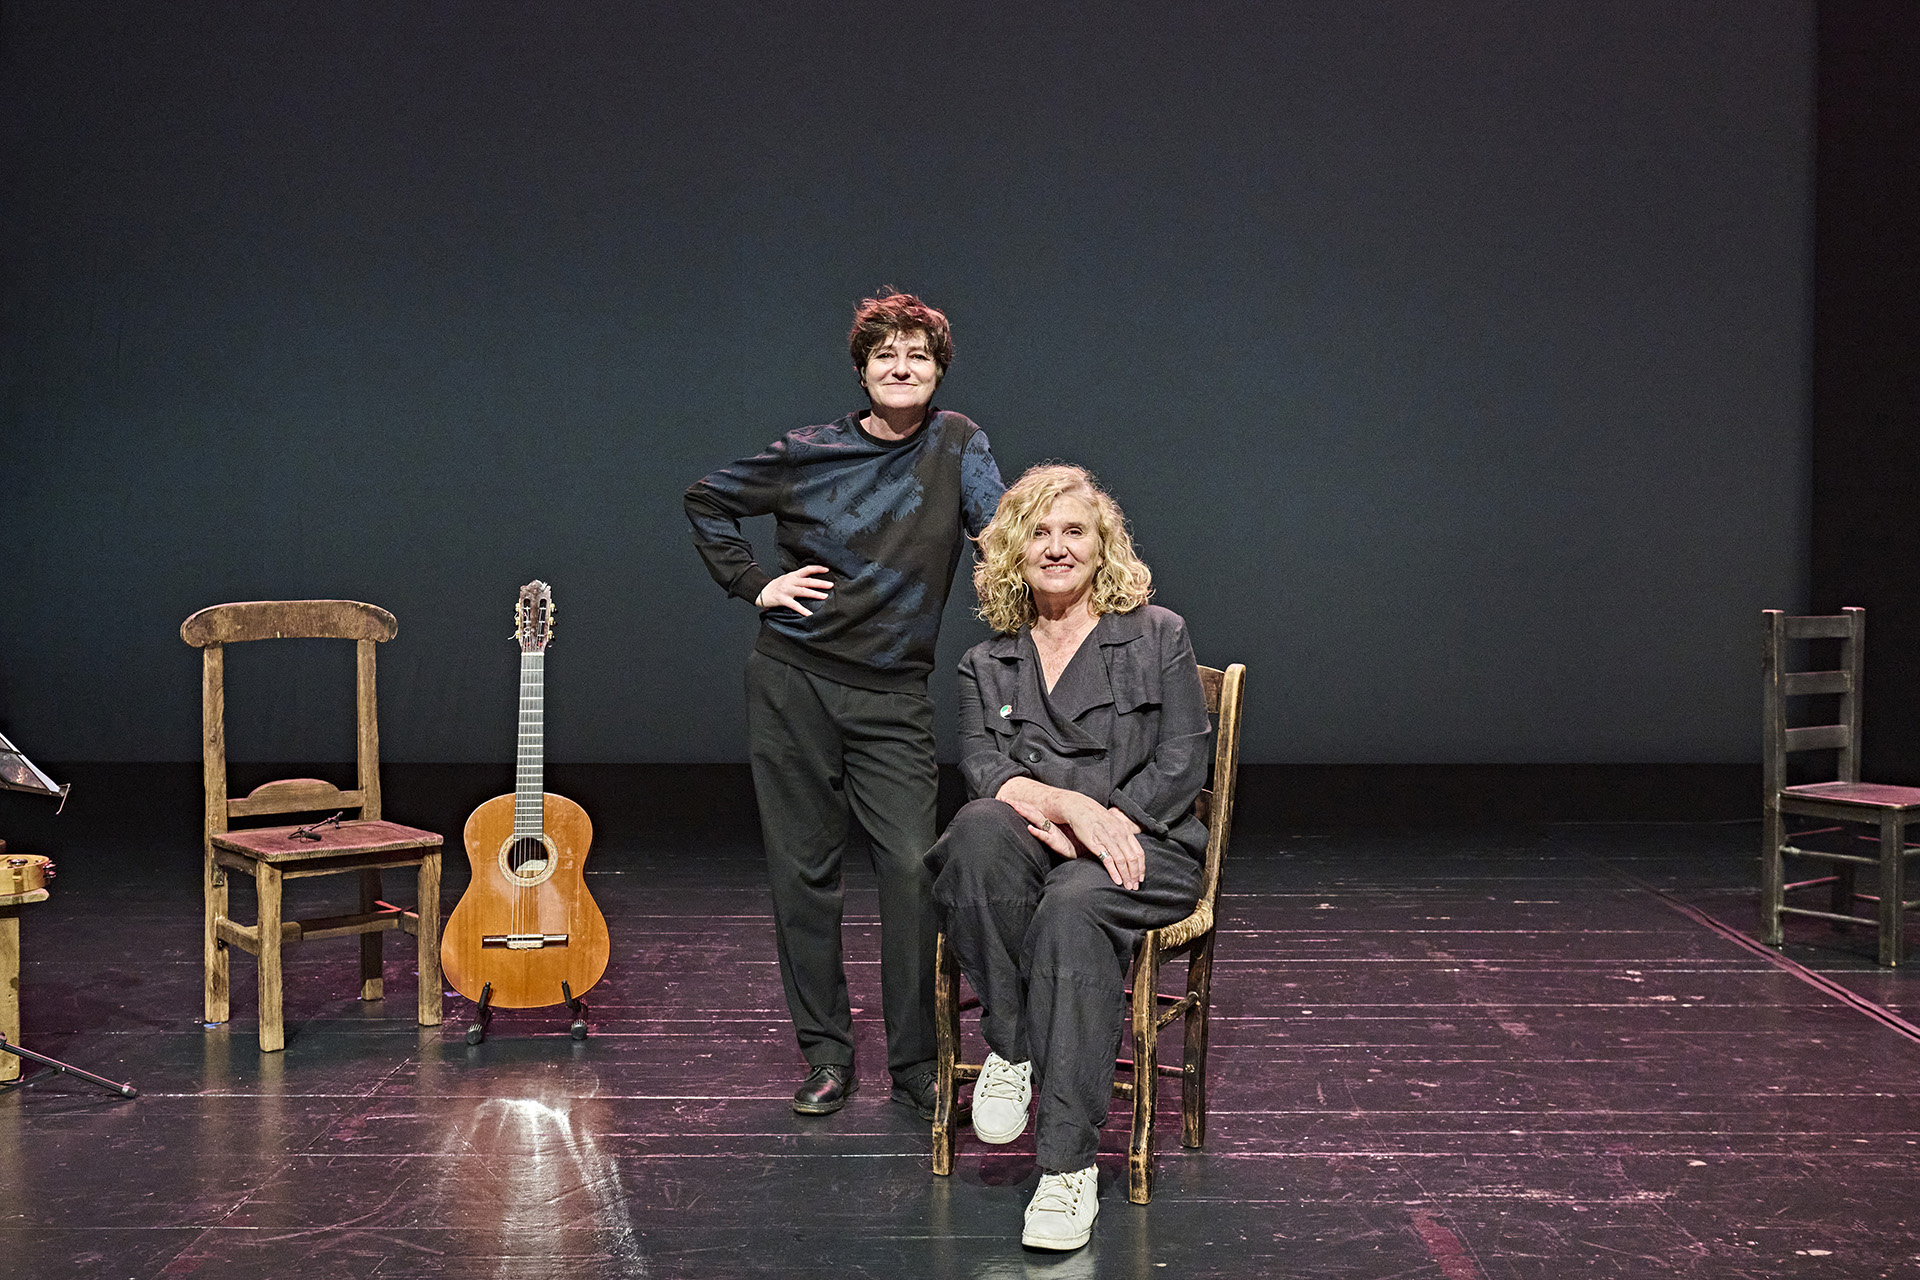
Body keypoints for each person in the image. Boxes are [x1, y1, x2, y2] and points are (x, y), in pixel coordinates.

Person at [684, 290, 1005, 1119]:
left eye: (919, 357)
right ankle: (826, 1054)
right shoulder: (808, 451)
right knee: (804, 876)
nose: (902, 369)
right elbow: (708, 500)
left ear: (938, 371)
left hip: (893, 692)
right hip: (794, 680)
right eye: (886, 356)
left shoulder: (957, 444)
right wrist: (757, 585)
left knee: (909, 871)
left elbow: (1000, 535)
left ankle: (917, 1063)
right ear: (862, 370)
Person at [925, 464, 1211, 1252]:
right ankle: (1012, 1042)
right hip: (1036, 845)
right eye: (1038, 535)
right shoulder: (988, 663)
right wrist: (1061, 804)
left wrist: (1101, 822)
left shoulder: (1158, 633)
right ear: (1014, 555)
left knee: (1074, 905)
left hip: (1141, 847)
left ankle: (1065, 1169)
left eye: (1074, 531)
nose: (1057, 549)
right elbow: (984, 765)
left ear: (1103, 545)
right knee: (977, 831)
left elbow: (1184, 758)